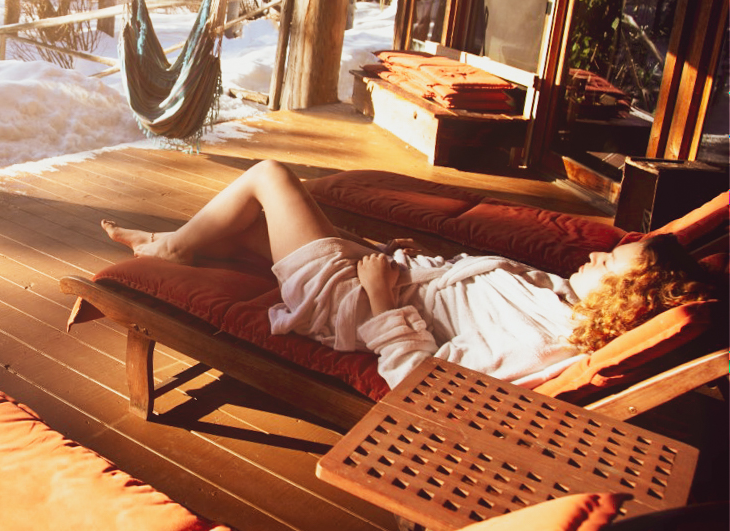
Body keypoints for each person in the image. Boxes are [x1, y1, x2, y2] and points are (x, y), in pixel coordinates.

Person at [101, 160, 718, 389]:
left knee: (270, 176)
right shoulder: (559, 304)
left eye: (608, 262)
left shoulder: (539, 339)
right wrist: (412, 263)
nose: (591, 256)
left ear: (621, 300)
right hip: (390, 281)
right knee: (245, 227)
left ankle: (175, 250)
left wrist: (378, 296)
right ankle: (171, 242)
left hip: (351, 309)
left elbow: (424, 382)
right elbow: (469, 295)